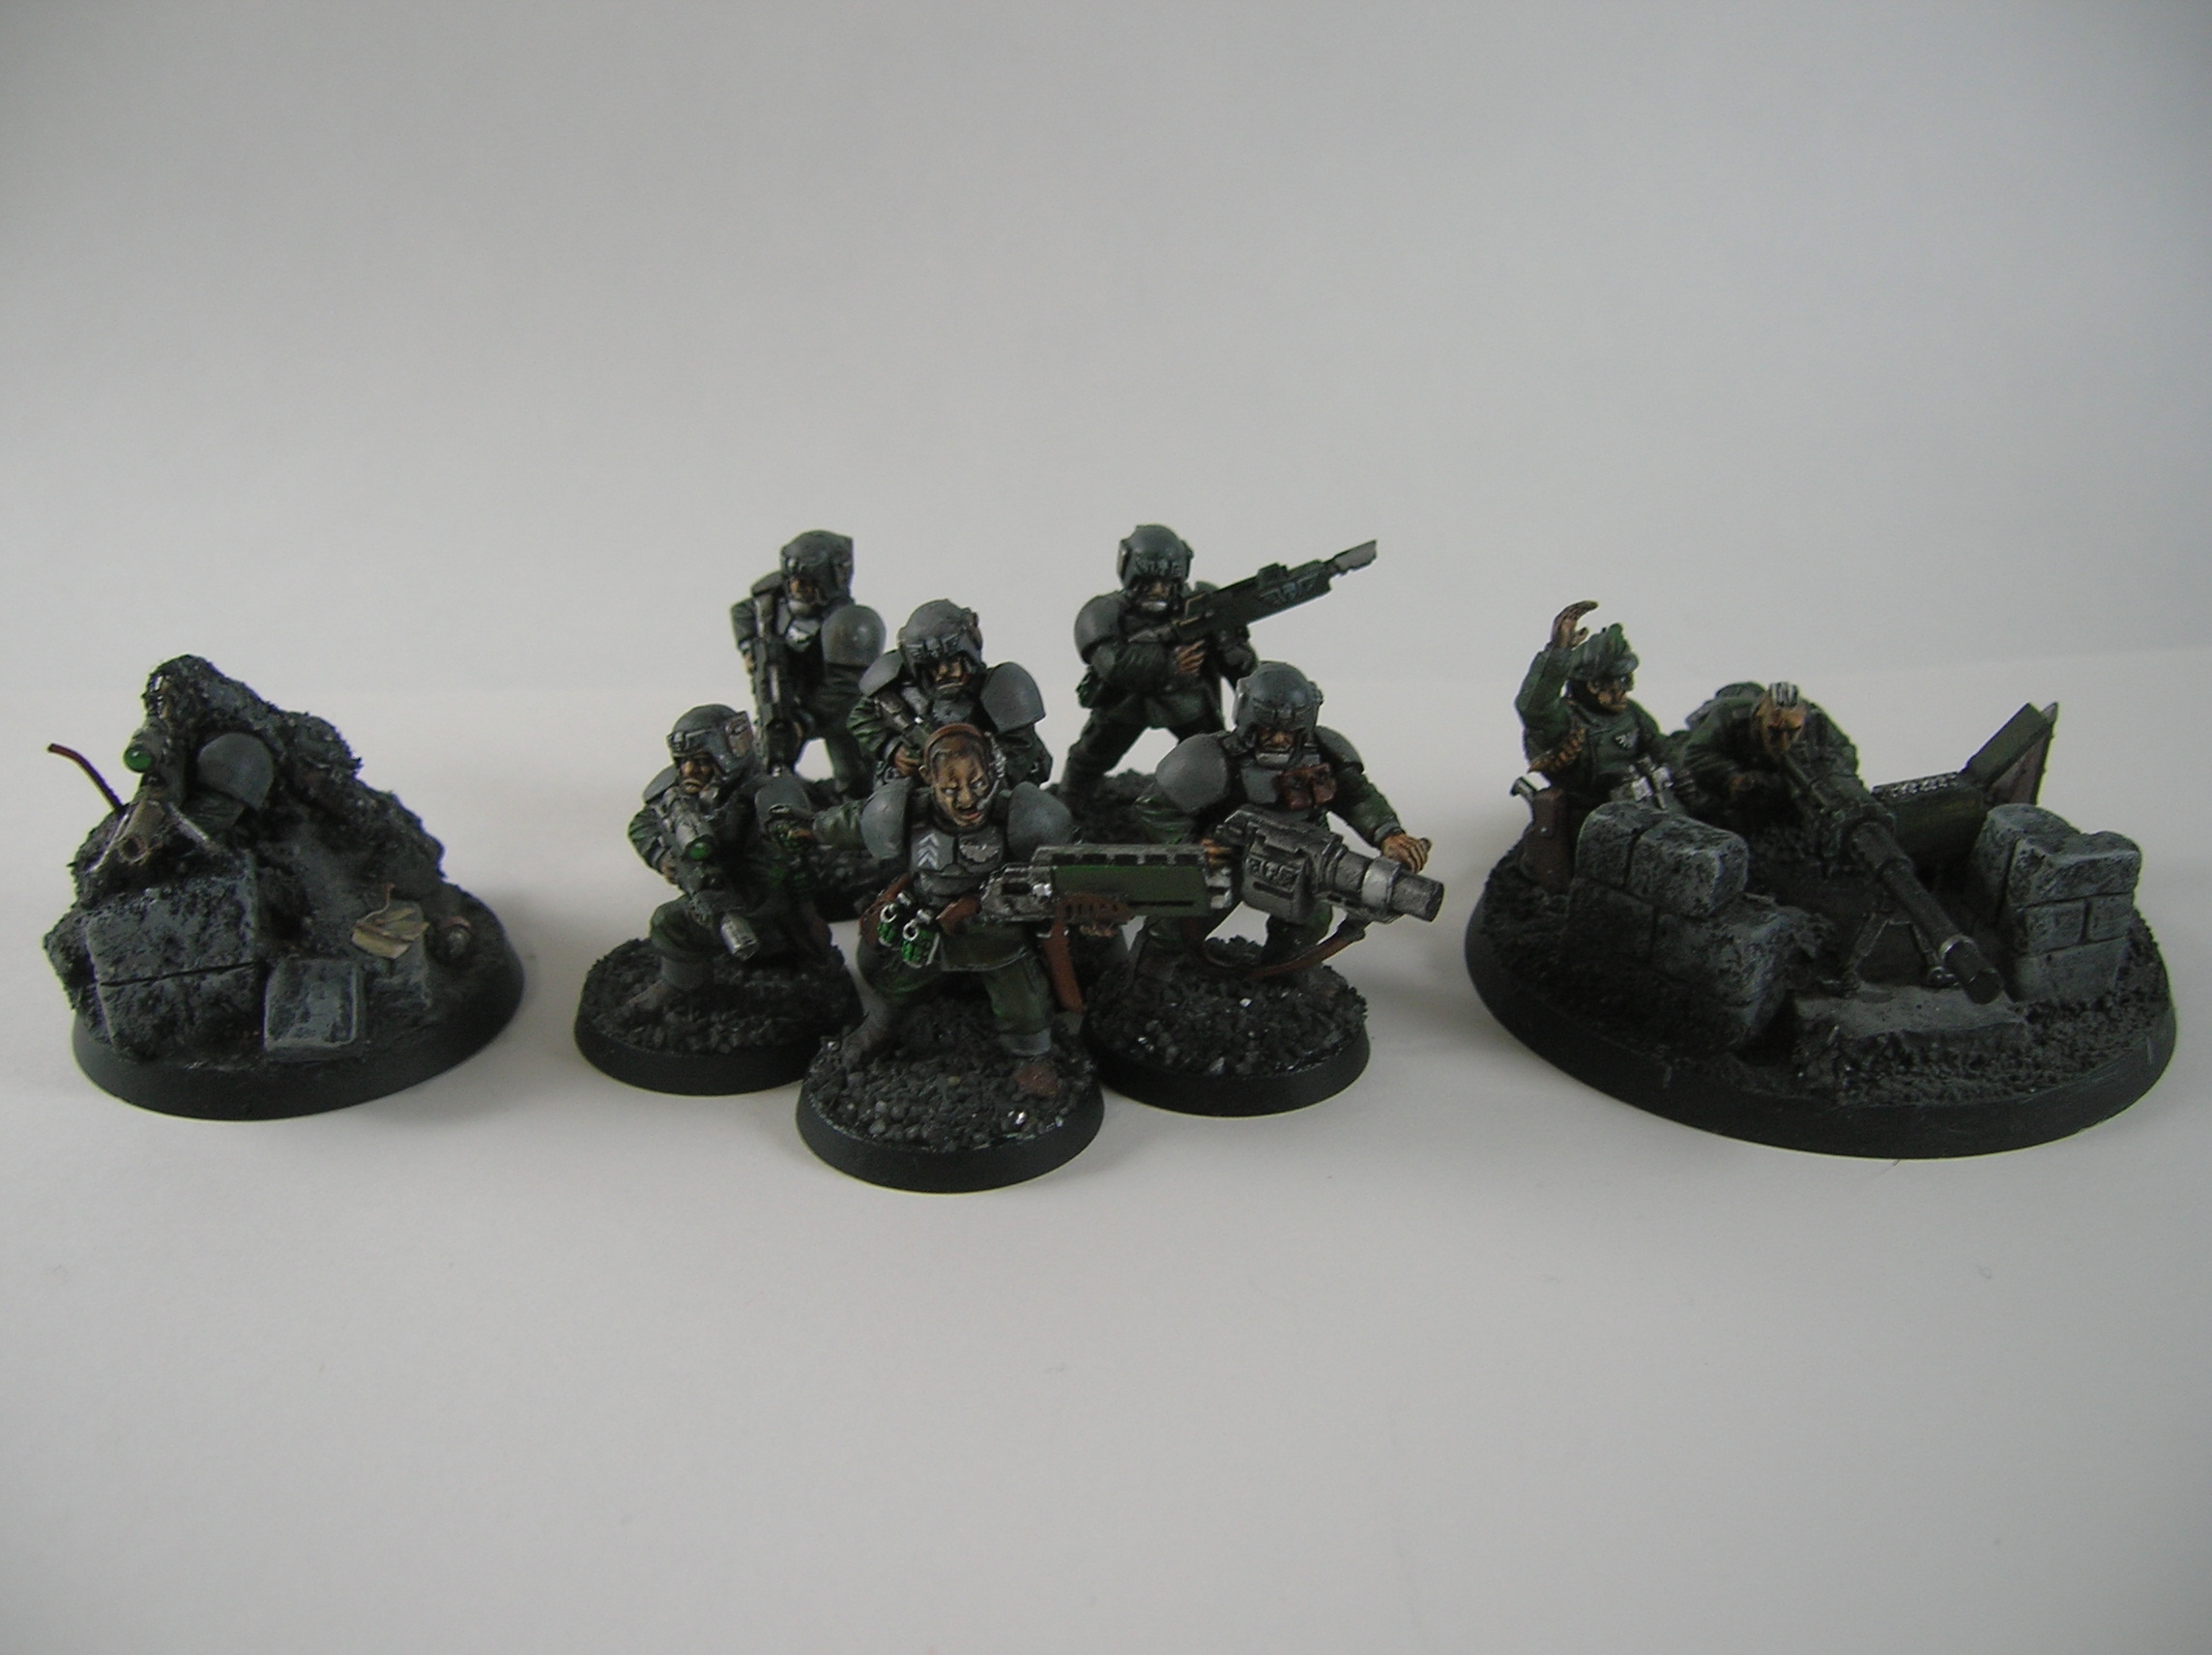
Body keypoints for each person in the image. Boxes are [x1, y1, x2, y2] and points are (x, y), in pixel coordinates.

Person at [816, 723, 1072, 1098]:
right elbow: (855, 823)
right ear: (928, 778)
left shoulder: (1020, 813)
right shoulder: (909, 812)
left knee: (1024, 1002)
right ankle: (878, 1031)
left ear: (993, 772)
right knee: (896, 987)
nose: (967, 799)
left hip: (997, 935)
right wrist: (811, 827)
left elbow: (1057, 869)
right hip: (926, 928)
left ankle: (1032, 1058)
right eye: (951, 789)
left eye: (978, 784)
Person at [1132, 661, 1429, 972]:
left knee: (1309, 922)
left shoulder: (1325, 752)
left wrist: (1388, 833)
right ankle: (1150, 978)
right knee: (1176, 923)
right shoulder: (1210, 758)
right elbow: (1155, 808)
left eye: (1289, 732)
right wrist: (1191, 847)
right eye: (1268, 729)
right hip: (1227, 856)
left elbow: (1357, 797)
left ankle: (1279, 977)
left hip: (1302, 860)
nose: (1278, 739)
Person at [627, 705, 820, 1009]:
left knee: (669, 922)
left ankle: (684, 983)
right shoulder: (676, 794)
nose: (689, 771)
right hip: (715, 887)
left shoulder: (769, 795)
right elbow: (643, 825)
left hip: (762, 896)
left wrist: (721, 893)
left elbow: (775, 861)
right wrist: (664, 856)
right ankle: (683, 983)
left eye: (702, 762)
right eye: (683, 761)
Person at [1058, 524, 1258, 810]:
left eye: (1166, 583)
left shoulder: (1202, 605)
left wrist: (1230, 648)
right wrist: (1169, 663)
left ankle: (1219, 809)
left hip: (1185, 699)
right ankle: (1069, 808)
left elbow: (1242, 669)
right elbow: (1112, 664)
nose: (1158, 591)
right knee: (1090, 757)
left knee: (1213, 756)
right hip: (1125, 701)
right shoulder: (1104, 612)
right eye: (1147, 583)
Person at [1510, 599, 1673, 886]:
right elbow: (1533, 707)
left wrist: (1678, 771)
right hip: (1588, 815)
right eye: (1609, 683)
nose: (1620, 691)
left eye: (1625, 681)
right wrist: (1559, 653)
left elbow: (1659, 746)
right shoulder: (1567, 721)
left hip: (1647, 803)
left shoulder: (1631, 714)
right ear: (1590, 685)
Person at [730, 530, 885, 799]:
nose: (795, 589)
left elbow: (844, 688)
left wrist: (805, 721)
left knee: (855, 773)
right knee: (771, 758)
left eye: (806, 583)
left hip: (838, 708)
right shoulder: (773, 600)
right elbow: (743, 611)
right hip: (786, 693)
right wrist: (748, 648)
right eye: (792, 581)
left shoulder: (849, 622)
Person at [848, 599, 1051, 788]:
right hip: (923, 785)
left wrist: (981, 779)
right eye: (933, 666)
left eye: (952, 660)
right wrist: (891, 748)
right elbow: (861, 717)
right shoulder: (901, 682)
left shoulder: (1001, 686)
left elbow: (1020, 751)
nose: (943, 671)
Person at [1676, 681, 1859, 829]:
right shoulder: (1729, 714)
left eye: (1792, 732)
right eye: (1774, 732)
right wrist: (1731, 777)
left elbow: (1845, 753)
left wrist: (1820, 771)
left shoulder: (1814, 722)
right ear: (1757, 720)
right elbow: (1693, 754)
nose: (1783, 742)